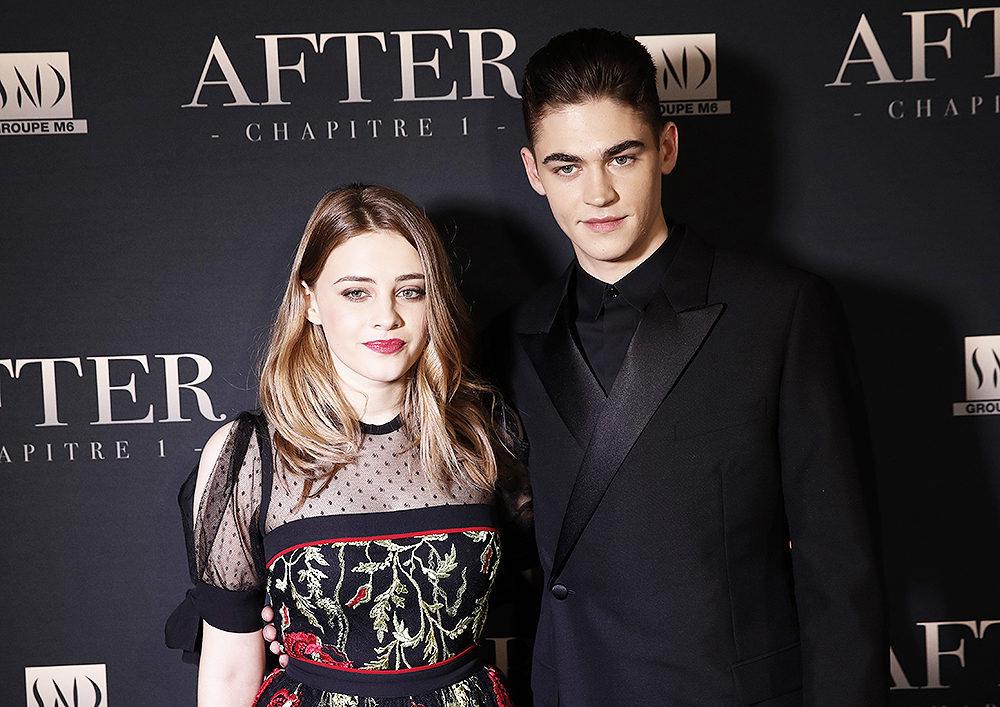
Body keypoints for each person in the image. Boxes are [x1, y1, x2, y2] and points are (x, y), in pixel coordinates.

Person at [482, 28, 886, 706]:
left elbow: (840, 571)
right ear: (533, 172)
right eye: (567, 166)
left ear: (666, 148)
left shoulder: (779, 312)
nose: (598, 193)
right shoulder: (509, 338)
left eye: (622, 156)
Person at [166, 184, 529, 707]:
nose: (388, 317)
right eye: (356, 292)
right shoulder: (248, 454)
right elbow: (226, 671)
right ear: (310, 300)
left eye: (411, 290)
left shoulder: (486, 434)